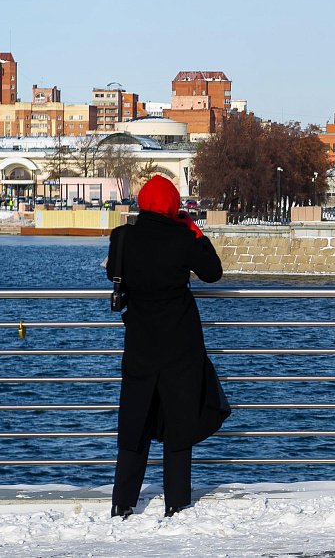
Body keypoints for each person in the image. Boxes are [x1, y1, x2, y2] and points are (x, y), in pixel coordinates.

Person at [107, 175, 229, 520]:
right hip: (180, 341)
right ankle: (176, 501)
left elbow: (114, 276)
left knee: (135, 419)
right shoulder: (181, 237)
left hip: (140, 341)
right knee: (179, 420)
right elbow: (212, 272)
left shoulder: (123, 237)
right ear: (174, 206)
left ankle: (123, 501)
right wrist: (193, 229)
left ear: (143, 202)